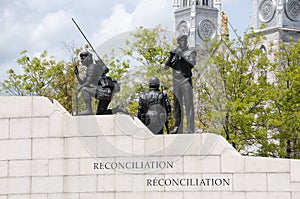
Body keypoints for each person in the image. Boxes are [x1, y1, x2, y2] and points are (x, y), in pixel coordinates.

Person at [165, 34, 197, 134]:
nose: (182, 43)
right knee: (177, 106)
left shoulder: (191, 52)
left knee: (188, 105)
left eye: (184, 41)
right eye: (180, 41)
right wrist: (171, 55)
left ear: (186, 42)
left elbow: (191, 64)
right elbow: (166, 67)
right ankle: (178, 128)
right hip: (176, 81)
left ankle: (190, 129)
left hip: (185, 80)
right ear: (178, 42)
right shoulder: (175, 54)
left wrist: (182, 56)